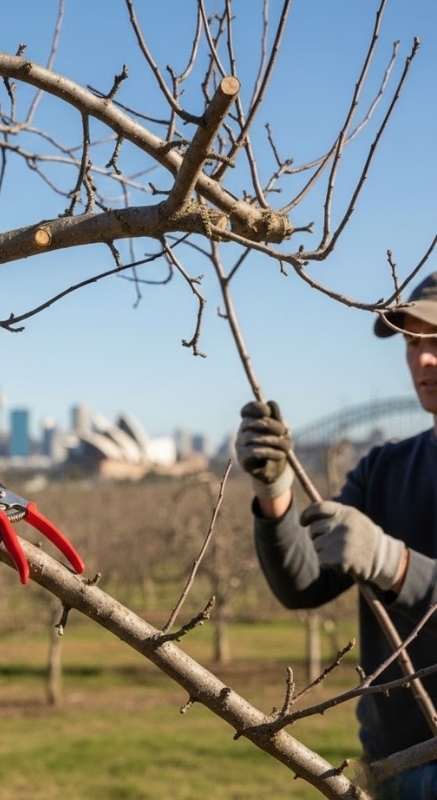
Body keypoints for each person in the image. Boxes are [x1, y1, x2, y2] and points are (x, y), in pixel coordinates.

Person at [236, 272, 437, 800]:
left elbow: (388, 565)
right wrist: (273, 490)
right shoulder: (385, 469)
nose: (423, 359)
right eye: (413, 342)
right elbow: (304, 584)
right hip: (391, 769)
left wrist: (394, 565)